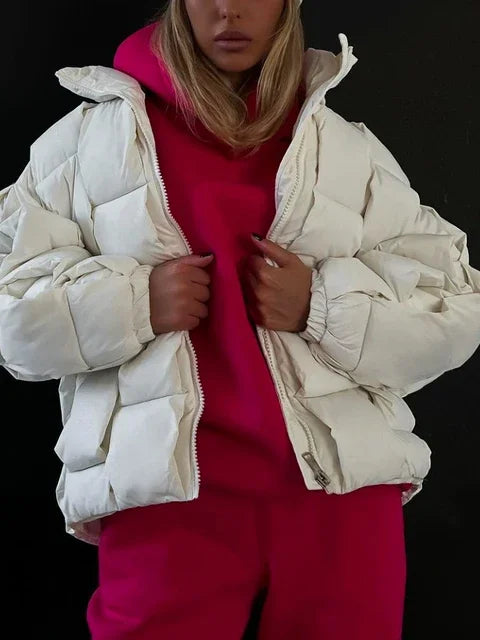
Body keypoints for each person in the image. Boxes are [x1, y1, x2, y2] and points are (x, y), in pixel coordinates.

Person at [1, 1, 479, 638]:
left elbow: (455, 302)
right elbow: (11, 314)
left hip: (340, 497)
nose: (230, 9)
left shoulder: (342, 148)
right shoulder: (85, 144)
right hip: (167, 505)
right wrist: (135, 303)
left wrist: (321, 306)